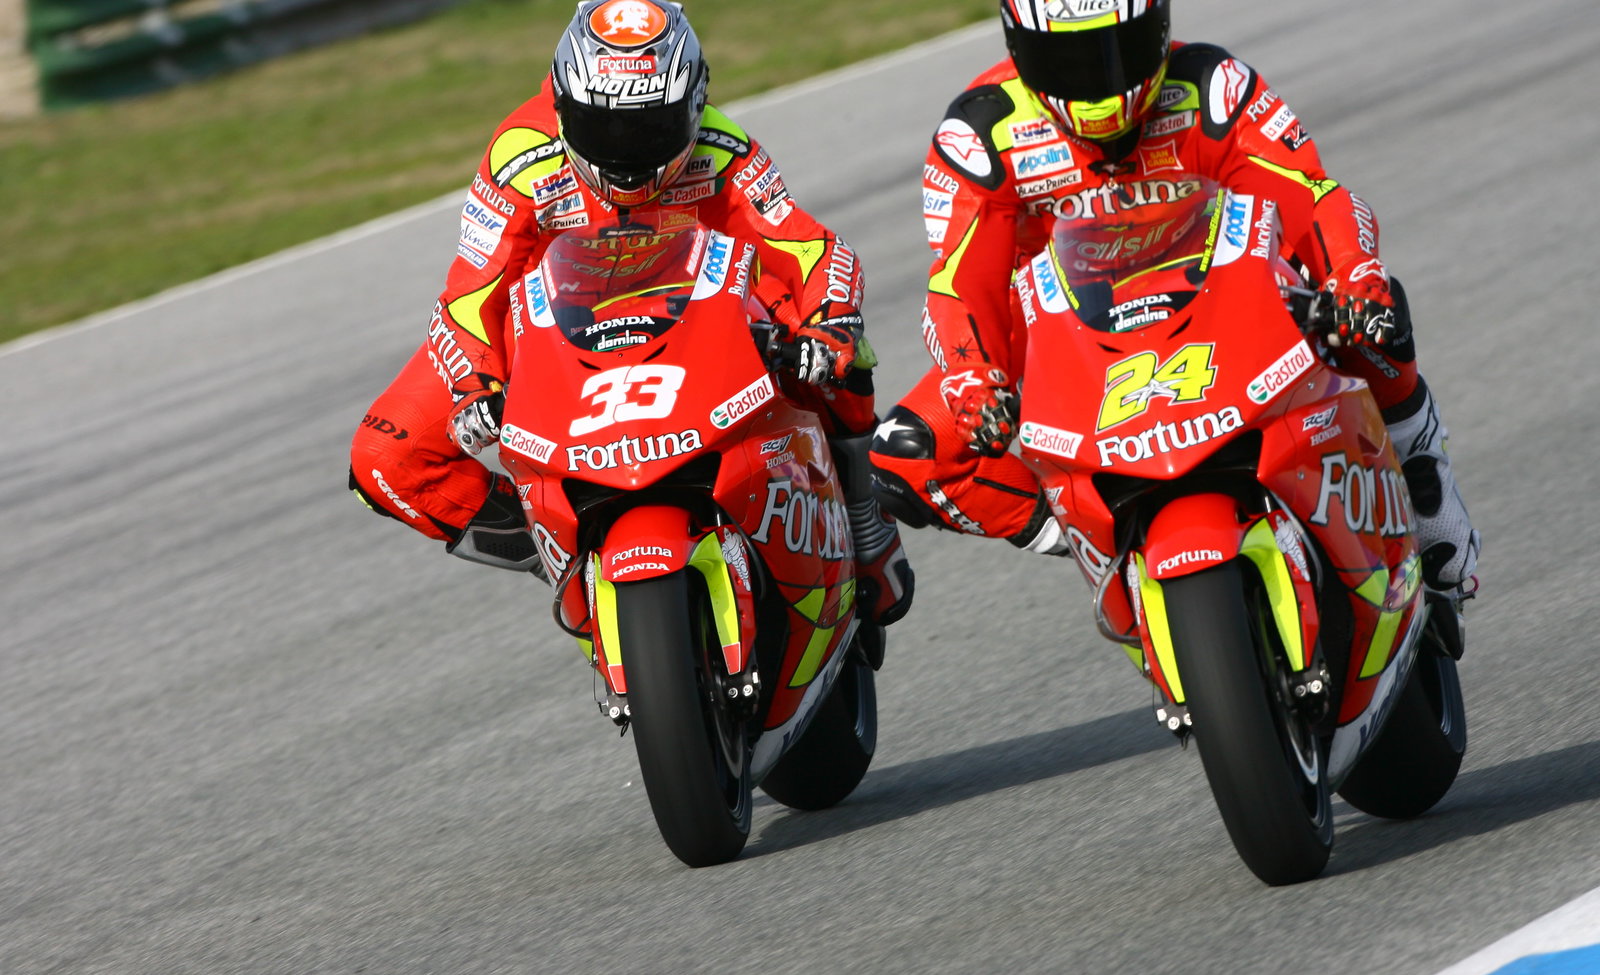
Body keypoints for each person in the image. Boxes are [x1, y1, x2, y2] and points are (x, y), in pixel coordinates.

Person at [869, 0, 1479, 594]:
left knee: (1376, 315)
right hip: (1067, 336)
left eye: (1117, 50)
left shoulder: (1212, 87)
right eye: (1068, 61)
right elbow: (960, 282)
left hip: (1228, 298)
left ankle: (1423, 478)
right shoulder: (979, 134)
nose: (1098, 85)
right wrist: (973, 378)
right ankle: (1104, 539)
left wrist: (1353, 276)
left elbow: (1309, 197)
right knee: (911, 455)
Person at [350, 0, 913, 624]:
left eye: (649, 130)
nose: (623, 154)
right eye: (600, 127)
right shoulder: (519, 153)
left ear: (692, 106)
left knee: (834, 351)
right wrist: (475, 383)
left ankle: (866, 521)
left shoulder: (719, 146)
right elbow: (469, 291)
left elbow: (809, 247)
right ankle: (568, 555)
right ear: (565, 102)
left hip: (700, 302)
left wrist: (830, 320)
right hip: (547, 329)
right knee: (386, 460)